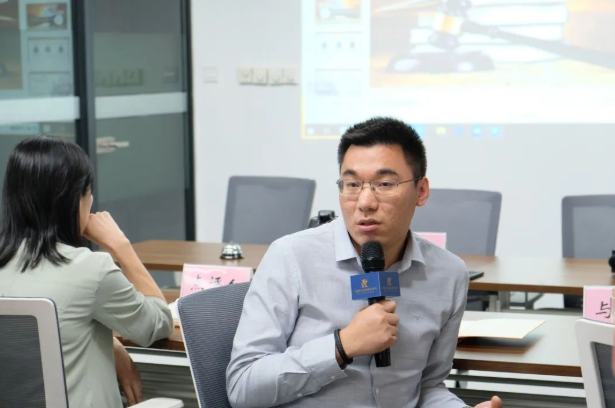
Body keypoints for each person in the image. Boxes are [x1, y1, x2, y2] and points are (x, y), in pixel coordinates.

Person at [226, 117, 502, 408]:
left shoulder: (448, 274)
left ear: (421, 191)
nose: (365, 202)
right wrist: (341, 346)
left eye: (384, 184)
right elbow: (243, 387)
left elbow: (427, 387)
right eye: (352, 184)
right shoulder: (291, 257)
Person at [0, 136, 173, 408]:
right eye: (88, 193)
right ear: (74, 199)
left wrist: (109, 343)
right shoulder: (91, 269)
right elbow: (157, 325)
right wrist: (122, 248)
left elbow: (25, 341)